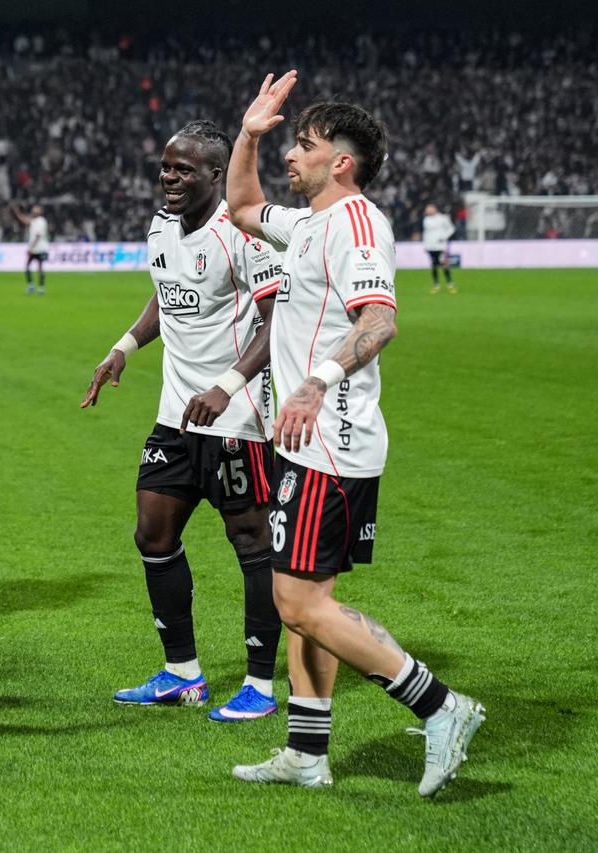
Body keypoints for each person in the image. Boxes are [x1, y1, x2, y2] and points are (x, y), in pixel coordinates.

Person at [225, 71, 484, 796]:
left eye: (303, 146)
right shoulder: (308, 224)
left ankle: (441, 705)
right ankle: (307, 753)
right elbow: (241, 206)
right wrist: (247, 133)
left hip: (331, 441)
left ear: (340, 161)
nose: (290, 155)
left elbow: (379, 321)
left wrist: (317, 382)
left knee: (299, 605)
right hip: (302, 442)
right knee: (307, 606)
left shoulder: (358, 224)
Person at [81, 121, 284, 722]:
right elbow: (164, 292)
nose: (168, 177)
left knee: (251, 543)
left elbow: (277, 321)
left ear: (216, 175)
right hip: (175, 417)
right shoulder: (161, 227)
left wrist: (227, 387)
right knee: (153, 534)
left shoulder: (242, 234)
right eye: (166, 166)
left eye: (183, 169)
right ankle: (182, 675)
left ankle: (260, 685)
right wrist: (124, 346)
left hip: (236, 419)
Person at [12, 204, 49, 294]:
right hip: (34, 248)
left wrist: (31, 248)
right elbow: (25, 220)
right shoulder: (34, 220)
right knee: (28, 267)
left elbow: (38, 236)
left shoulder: (41, 221)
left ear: (39, 212)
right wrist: (17, 213)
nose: (33, 211)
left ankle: (40, 287)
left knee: (39, 268)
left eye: (35, 210)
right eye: (33, 209)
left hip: (40, 248)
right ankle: (32, 285)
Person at [422, 203, 457, 294]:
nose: (428, 210)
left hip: (441, 246)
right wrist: (425, 245)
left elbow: (451, 229)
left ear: (434, 209)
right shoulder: (426, 219)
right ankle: (436, 285)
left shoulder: (442, 218)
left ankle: (450, 285)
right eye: (427, 209)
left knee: (444, 264)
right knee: (434, 265)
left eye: (429, 209)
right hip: (431, 246)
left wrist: (444, 237)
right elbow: (426, 233)